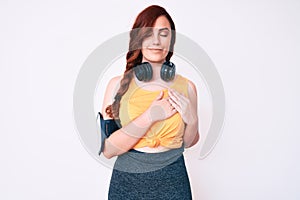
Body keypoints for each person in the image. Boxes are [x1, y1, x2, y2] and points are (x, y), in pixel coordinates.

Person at [99, 5, 199, 200]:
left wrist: (192, 120)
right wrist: (150, 116)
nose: (156, 41)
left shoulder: (188, 87)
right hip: (127, 185)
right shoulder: (116, 85)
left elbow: (189, 141)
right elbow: (108, 150)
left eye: (164, 34)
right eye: (149, 33)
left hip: (174, 183)